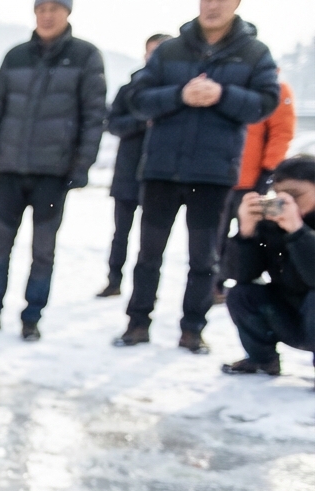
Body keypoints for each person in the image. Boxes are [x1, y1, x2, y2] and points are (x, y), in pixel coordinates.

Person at [115, 0, 280, 353]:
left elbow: (266, 103)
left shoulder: (255, 53)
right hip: (162, 169)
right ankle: (137, 322)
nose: (213, 5)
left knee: (203, 257)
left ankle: (193, 328)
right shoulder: (170, 49)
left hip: (214, 173)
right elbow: (137, 99)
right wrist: (180, 94)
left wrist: (223, 95)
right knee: (148, 254)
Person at [0, 0, 106, 342]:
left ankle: (32, 316)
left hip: (53, 174)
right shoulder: (15, 56)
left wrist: (82, 165)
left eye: (54, 8)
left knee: (43, 250)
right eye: (41, 8)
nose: (46, 15)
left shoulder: (85, 56)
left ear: (67, 12)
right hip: (12, 171)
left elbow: (93, 116)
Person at [221, 155, 315, 387]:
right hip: (292, 313)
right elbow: (240, 275)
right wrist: (247, 231)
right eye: (281, 195)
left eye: (295, 195)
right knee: (241, 293)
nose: (287, 203)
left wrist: (298, 231)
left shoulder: (291, 222)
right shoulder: (273, 222)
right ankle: (263, 360)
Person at [98, 33, 170, 298]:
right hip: (128, 170)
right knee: (121, 233)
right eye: (152, 52)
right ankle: (113, 280)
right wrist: (143, 122)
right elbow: (112, 124)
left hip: (162, 174)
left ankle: (145, 290)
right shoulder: (129, 89)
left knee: (152, 239)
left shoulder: (180, 91)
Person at [215, 76, 298, 303]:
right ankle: (213, 283)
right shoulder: (220, 85)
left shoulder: (277, 89)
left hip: (251, 179)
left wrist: (268, 169)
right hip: (217, 178)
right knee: (214, 236)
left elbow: (282, 132)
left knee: (250, 234)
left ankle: (245, 280)